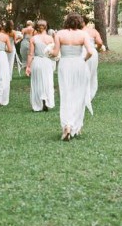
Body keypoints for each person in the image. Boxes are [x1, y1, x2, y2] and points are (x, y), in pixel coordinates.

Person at [54, 13, 95, 141]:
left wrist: (50, 54)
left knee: (66, 95)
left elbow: (55, 52)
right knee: (78, 95)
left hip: (65, 64)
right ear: (79, 22)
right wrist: (83, 60)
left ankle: (67, 125)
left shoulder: (59, 34)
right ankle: (75, 125)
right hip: (79, 64)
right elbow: (90, 52)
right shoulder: (83, 34)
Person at [24, 20, 56, 111]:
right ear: (46, 27)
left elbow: (30, 54)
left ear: (37, 27)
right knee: (47, 82)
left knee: (37, 82)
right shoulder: (50, 38)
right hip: (47, 62)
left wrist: (28, 66)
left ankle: (39, 103)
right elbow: (54, 52)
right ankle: (46, 100)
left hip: (37, 61)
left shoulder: (33, 39)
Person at [84, 20, 105, 106]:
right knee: (92, 73)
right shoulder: (93, 31)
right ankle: (89, 96)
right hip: (92, 52)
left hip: (80, 53)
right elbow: (100, 43)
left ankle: (82, 96)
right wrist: (97, 48)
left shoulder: (75, 32)